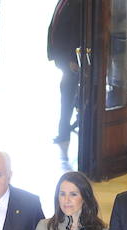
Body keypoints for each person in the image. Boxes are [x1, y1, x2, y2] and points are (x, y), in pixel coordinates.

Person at [47, 0, 83, 149]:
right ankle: (64, 131)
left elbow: (77, 32)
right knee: (67, 95)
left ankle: (65, 132)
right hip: (63, 58)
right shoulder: (64, 2)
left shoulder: (78, 3)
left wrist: (73, 59)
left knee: (68, 95)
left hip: (71, 60)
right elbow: (56, 27)